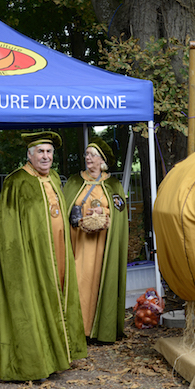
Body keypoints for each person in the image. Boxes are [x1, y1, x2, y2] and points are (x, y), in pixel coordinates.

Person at [0, 131, 87, 381]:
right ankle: (35, 362)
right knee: (35, 304)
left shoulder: (55, 177)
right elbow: (7, 226)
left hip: (58, 254)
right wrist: (17, 262)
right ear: (30, 155)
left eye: (49, 152)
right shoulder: (17, 182)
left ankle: (58, 356)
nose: (45, 157)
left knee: (56, 302)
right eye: (40, 152)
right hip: (33, 259)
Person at [63, 140, 128, 343]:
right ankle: (78, 329)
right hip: (79, 241)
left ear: (103, 160)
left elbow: (120, 212)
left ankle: (99, 329)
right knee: (79, 281)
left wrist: (103, 211)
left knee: (99, 281)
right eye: (87, 154)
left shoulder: (113, 185)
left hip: (102, 245)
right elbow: (66, 206)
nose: (88, 158)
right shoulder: (75, 182)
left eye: (93, 154)